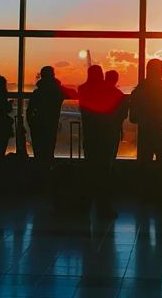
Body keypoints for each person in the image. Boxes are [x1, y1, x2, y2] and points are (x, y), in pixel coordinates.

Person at [78, 65, 116, 217]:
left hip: (89, 135)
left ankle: (85, 203)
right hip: (105, 135)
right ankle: (103, 206)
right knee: (104, 172)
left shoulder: (82, 89)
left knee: (90, 170)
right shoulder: (105, 90)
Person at [130, 59, 162, 162]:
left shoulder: (140, 88)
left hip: (145, 132)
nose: (161, 72)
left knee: (145, 161)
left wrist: (143, 120)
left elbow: (133, 116)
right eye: (159, 69)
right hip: (159, 130)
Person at [26, 66, 75, 165]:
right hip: (51, 123)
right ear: (53, 75)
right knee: (48, 151)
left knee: (39, 154)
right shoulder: (57, 91)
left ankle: (39, 174)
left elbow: (29, 110)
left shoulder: (38, 92)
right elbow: (73, 93)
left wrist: (32, 124)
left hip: (37, 124)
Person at [104, 70, 128, 164]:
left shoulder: (99, 94)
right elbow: (124, 115)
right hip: (114, 128)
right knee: (111, 154)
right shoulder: (120, 96)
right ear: (116, 80)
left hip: (99, 129)